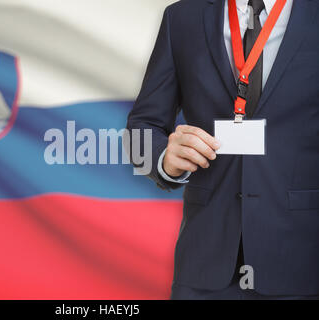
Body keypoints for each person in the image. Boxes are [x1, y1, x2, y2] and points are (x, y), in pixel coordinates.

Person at [127, 0, 319, 299]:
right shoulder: (181, 18)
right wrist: (164, 159)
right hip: (205, 263)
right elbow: (141, 126)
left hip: (303, 261)